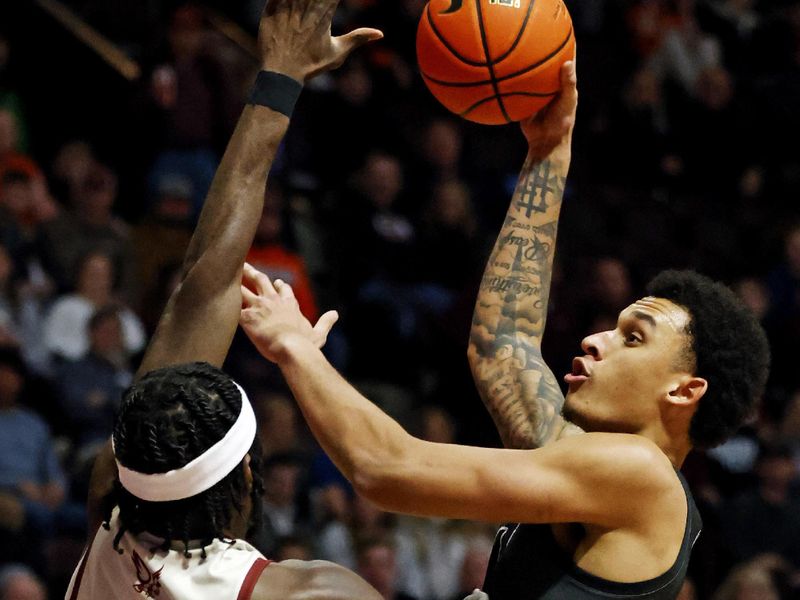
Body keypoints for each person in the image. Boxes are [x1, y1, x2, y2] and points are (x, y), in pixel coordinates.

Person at [237, 56, 770, 600]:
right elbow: (504, 340)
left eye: (633, 337)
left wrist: (296, 350)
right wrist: (547, 153)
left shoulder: (638, 473)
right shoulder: (585, 460)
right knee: (315, 583)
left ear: (683, 390)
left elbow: (388, 469)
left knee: (315, 588)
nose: (595, 338)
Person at [64, 0, 386, 598]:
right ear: (244, 474)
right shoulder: (301, 590)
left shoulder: (110, 518)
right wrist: (299, 356)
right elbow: (203, 280)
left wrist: (280, 75)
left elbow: (201, 286)